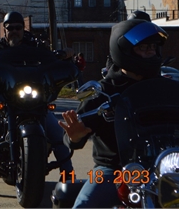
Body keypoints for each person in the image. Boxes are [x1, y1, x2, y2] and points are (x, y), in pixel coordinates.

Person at [0, 11, 74, 195]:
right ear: (5, 29)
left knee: (58, 133)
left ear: (23, 28)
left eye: (18, 28)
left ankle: (69, 176)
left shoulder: (35, 46)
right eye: (10, 28)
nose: (14, 32)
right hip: (0, 101)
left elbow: (51, 57)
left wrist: (65, 55)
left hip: (35, 102)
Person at [59, 19, 170, 208]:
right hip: (114, 170)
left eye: (153, 47)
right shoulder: (103, 91)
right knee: (84, 205)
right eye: (144, 48)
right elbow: (74, 137)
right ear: (124, 50)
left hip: (163, 168)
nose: (151, 52)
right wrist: (75, 136)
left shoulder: (164, 88)